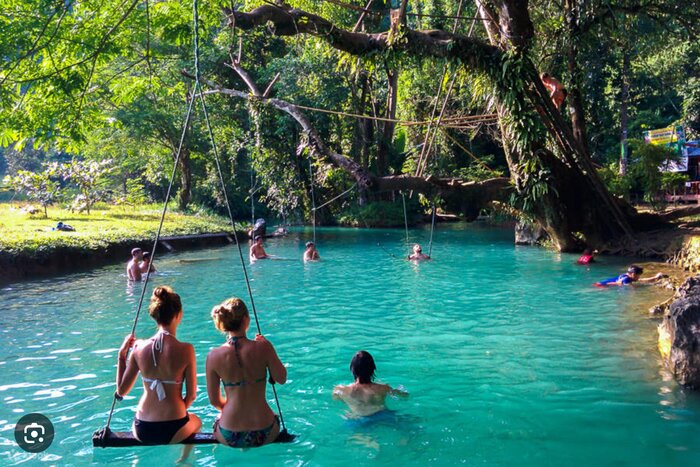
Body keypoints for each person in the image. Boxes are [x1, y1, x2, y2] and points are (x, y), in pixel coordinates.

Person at [115, 286, 201, 461]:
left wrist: (121, 356)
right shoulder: (186, 350)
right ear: (179, 314)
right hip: (174, 427)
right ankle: (184, 461)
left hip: (143, 428)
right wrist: (175, 410)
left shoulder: (138, 347)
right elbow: (191, 396)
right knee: (196, 422)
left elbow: (121, 391)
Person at [206, 297, 287, 448]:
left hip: (229, 433)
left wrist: (233, 409)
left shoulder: (213, 356)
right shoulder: (263, 347)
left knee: (219, 421)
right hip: (265, 431)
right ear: (246, 319)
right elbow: (281, 378)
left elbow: (214, 401)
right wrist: (268, 346)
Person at [332, 350, 407, 417]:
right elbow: (404, 395)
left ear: (352, 369)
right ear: (372, 368)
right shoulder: (383, 388)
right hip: (382, 415)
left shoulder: (341, 390)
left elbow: (336, 399)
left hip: (358, 418)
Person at [595, 265, 666, 287]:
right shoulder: (626, 279)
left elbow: (642, 280)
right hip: (601, 286)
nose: (639, 277)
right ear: (633, 274)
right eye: (638, 275)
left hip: (599, 284)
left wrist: (655, 277)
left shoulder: (628, 277)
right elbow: (631, 288)